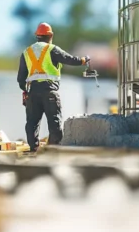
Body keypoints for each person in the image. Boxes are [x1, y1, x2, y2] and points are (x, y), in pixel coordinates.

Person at [17, 22, 90, 151]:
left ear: (37, 36)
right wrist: (84, 60)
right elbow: (70, 59)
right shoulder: (52, 49)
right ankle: (53, 149)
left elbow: (20, 79)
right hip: (49, 91)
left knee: (32, 123)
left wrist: (25, 91)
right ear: (50, 35)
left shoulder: (26, 52)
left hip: (33, 92)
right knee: (54, 123)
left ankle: (33, 148)